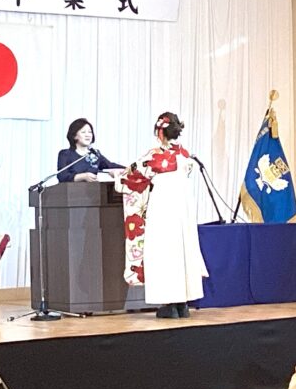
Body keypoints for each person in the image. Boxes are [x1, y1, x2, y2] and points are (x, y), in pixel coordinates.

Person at [114, 112, 207, 319]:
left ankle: (169, 303)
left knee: (164, 251)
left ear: (160, 133)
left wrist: (117, 176)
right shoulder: (185, 155)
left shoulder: (154, 156)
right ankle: (182, 303)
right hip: (183, 209)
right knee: (183, 250)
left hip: (163, 208)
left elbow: (130, 177)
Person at [56, 118, 123, 183]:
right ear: (74, 136)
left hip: (93, 189)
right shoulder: (65, 154)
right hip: (71, 190)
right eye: (83, 132)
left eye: (90, 132)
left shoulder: (95, 154)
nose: (88, 135)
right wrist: (83, 176)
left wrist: (127, 169)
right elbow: (62, 176)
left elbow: (110, 166)